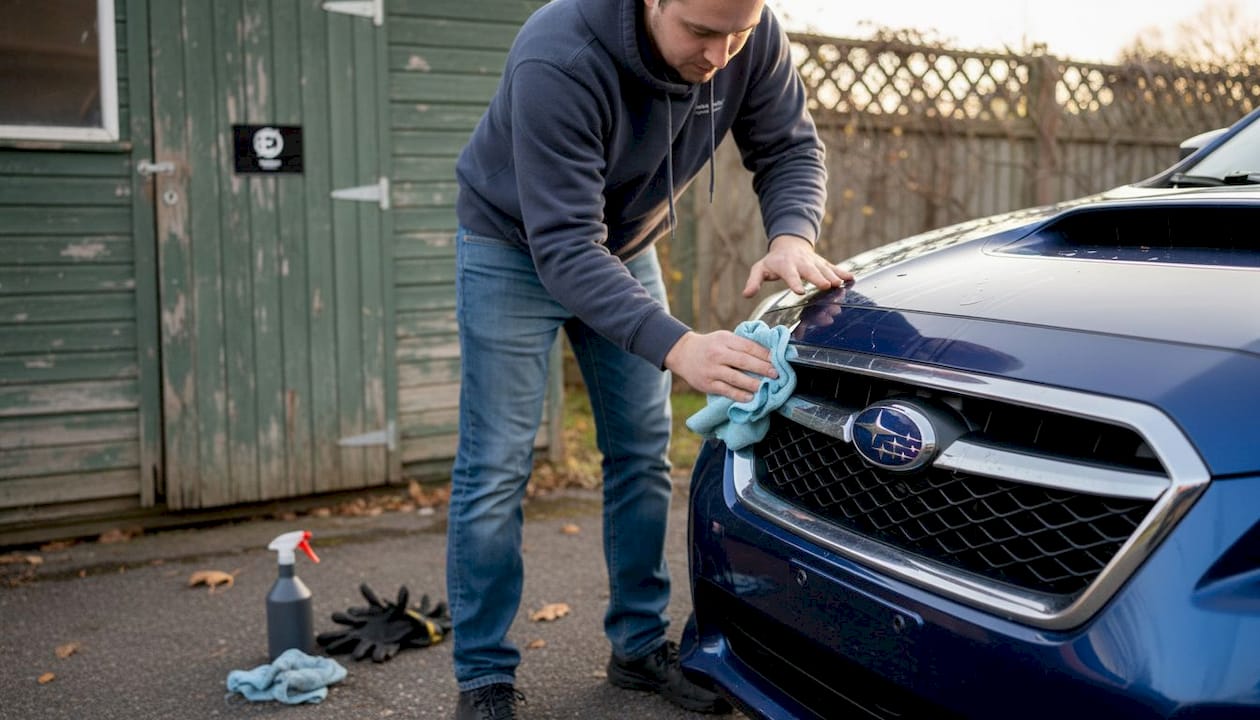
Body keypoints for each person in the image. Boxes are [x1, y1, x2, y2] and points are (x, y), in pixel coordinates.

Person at [447, 0, 851, 717]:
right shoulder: (559, 54)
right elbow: (564, 245)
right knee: (496, 467)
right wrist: (679, 346)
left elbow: (789, 146)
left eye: (737, 35)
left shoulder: (751, 33)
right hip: (513, 246)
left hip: (625, 246)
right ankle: (483, 675)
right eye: (701, 32)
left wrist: (792, 233)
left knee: (641, 451)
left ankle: (637, 646)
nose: (719, 57)